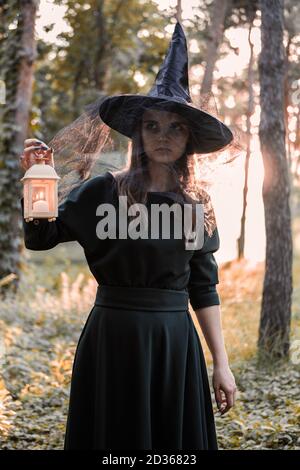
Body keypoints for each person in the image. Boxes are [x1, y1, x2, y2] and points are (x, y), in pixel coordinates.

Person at [19, 21, 237, 450]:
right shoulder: (102, 192)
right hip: (112, 338)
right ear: (138, 132)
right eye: (152, 126)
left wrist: (221, 365)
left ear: (189, 137)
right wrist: (37, 179)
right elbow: (41, 238)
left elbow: (204, 286)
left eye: (175, 127)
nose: (162, 136)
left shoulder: (197, 204)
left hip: (175, 344)